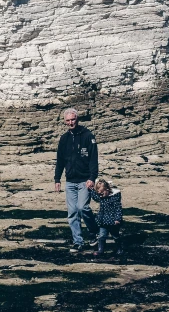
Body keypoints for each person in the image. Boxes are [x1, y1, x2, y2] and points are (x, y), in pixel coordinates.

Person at [54, 108, 99, 252]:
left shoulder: (88, 136)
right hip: (70, 181)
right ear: (65, 122)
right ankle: (78, 241)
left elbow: (93, 159)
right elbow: (60, 161)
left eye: (73, 119)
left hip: (84, 180)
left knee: (83, 208)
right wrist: (57, 179)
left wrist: (92, 178)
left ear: (77, 119)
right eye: (68, 120)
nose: (70, 122)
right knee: (72, 212)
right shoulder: (64, 139)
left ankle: (93, 231)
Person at [91, 178, 123, 256]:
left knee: (115, 236)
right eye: (99, 194)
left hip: (113, 222)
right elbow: (95, 197)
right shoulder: (102, 197)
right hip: (103, 221)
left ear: (107, 190)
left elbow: (118, 209)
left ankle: (119, 249)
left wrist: (117, 219)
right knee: (101, 236)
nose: (101, 195)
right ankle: (100, 250)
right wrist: (91, 190)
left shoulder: (114, 199)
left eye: (102, 193)